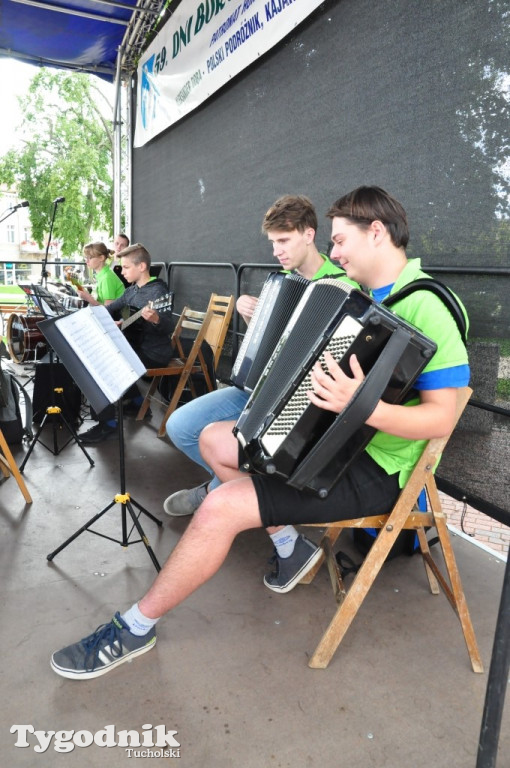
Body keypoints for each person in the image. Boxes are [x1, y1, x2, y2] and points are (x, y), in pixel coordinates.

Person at [51, 186, 470, 680]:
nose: (333, 253)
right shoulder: (365, 299)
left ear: (376, 232)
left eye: (339, 241)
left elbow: (443, 419)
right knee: (214, 440)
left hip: (380, 468)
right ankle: (291, 549)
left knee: (221, 508)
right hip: (336, 440)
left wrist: (361, 407)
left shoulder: (428, 305)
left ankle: (135, 626)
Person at [164, 194, 357, 523]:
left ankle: (219, 491)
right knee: (179, 426)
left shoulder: (345, 287)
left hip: (299, 403)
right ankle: (231, 488)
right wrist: (252, 315)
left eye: (284, 240)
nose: (276, 251)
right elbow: (272, 345)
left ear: (309, 235)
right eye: (272, 243)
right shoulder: (282, 283)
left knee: (224, 440)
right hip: (256, 389)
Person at [78, 243, 174, 445]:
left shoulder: (158, 291)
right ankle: (139, 403)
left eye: (126, 267)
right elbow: (110, 308)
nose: (122, 271)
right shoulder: (132, 291)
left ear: (142, 267)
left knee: (104, 364)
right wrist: (115, 322)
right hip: (135, 346)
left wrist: (156, 318)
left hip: (153, 352)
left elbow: (167, 326)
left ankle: (109, 425)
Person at [76, 242, 125, 306]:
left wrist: (88, 298)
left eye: (89, 258)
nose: (86, 261)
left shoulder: (107, 278)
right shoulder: (103, 275)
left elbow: (108, 310)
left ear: (101, 258)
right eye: (86, 258)